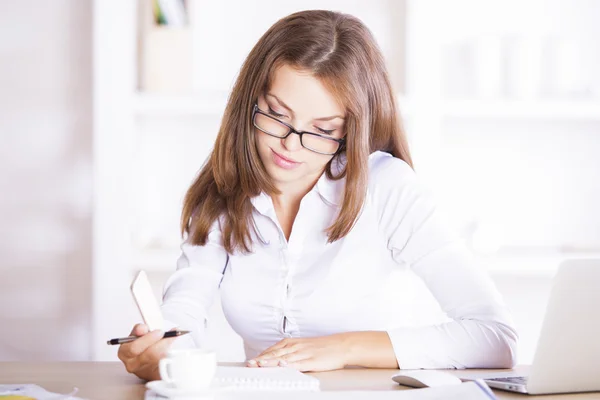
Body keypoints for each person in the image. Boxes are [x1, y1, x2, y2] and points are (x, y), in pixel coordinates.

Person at [118, 9, 518, 381]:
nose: (291, 145)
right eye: (276, 114)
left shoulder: (388, 188)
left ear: (350, 132)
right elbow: (184, 312)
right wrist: (164, 353)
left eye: (323, 130)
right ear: (250, 102)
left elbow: (495, 336)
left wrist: (345, 348)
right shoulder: (224, 193)